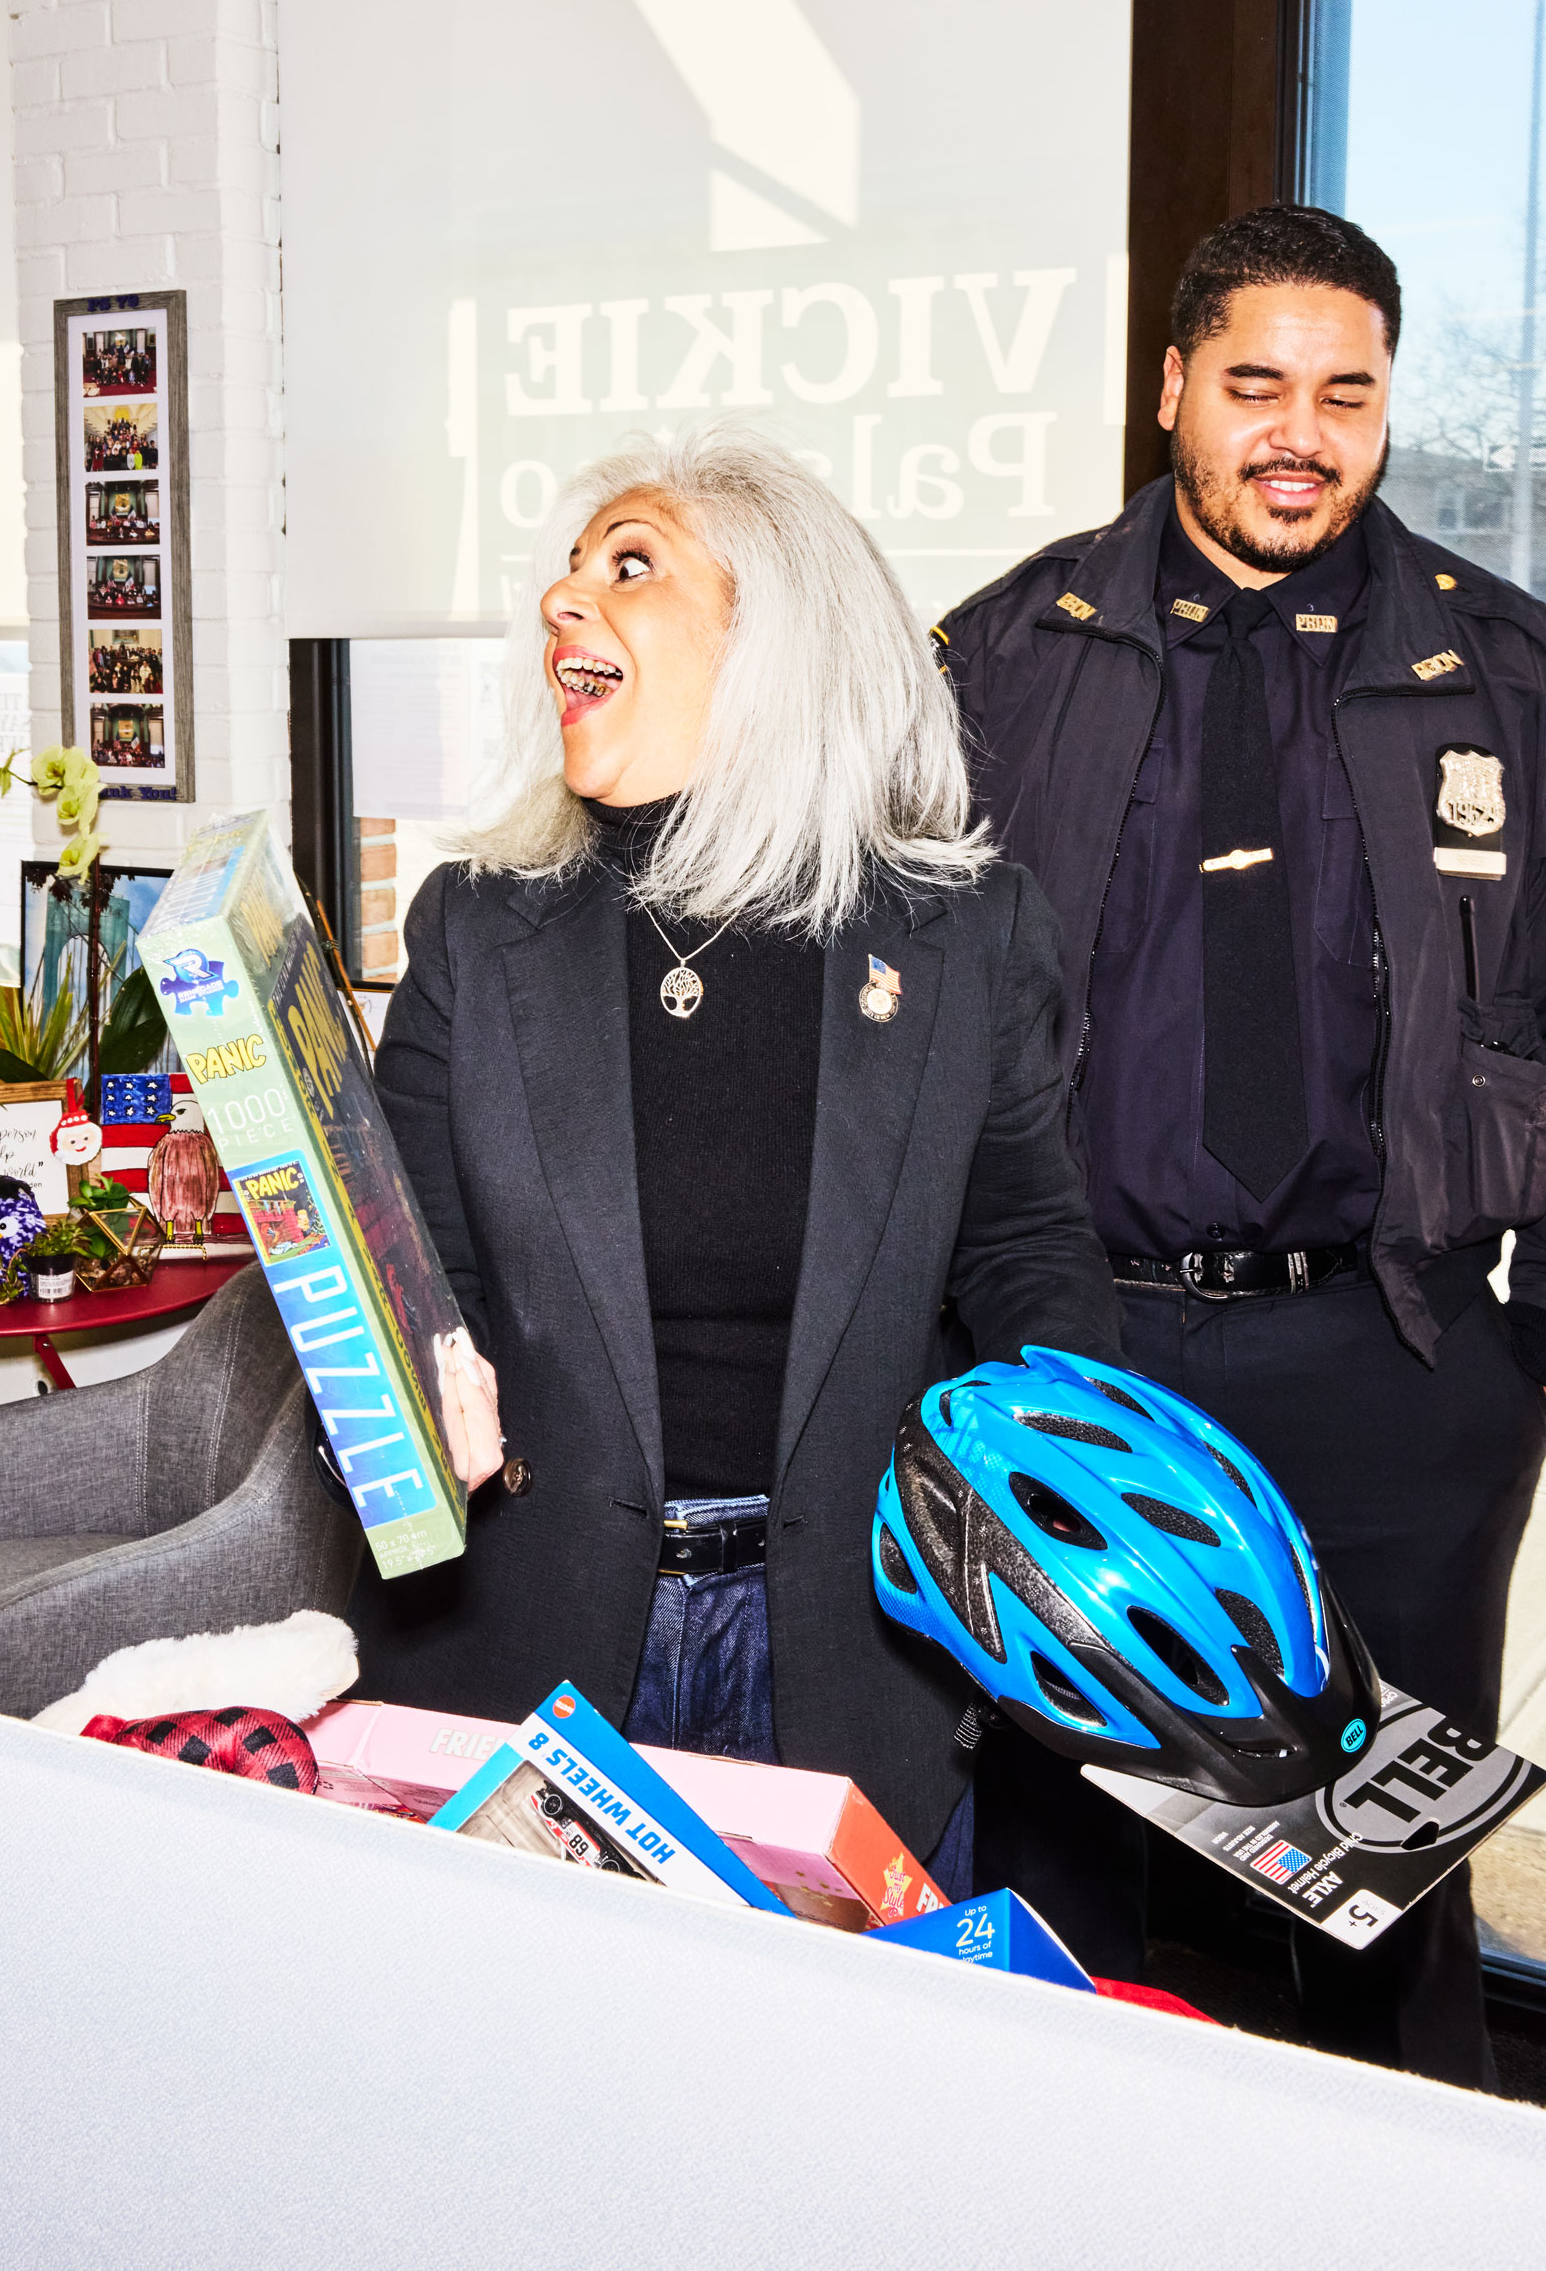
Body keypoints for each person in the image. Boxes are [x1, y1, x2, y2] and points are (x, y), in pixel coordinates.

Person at [935, 202, 1546, 2088]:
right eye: (1260, 383)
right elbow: (905, 1009)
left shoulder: (1509, 675)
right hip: (1074, 1352)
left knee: (1376, 1891)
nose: (1302, 430)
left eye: (1346, 392)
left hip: (1396, 1361)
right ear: (1175, 386)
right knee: (1061, 1865)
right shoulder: (1000, 658)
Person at [355, 421, 1121, 1875]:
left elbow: (1026, 1243)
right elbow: (414, 1254)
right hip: (533, 1645)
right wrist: (408, 1385)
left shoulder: (962, 934)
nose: (563, 599)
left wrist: (1059, 1464)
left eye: (629, 568)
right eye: (568, 570)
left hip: (865, 1652)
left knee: (839, 2089)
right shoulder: (475, 927)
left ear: (774, 642)